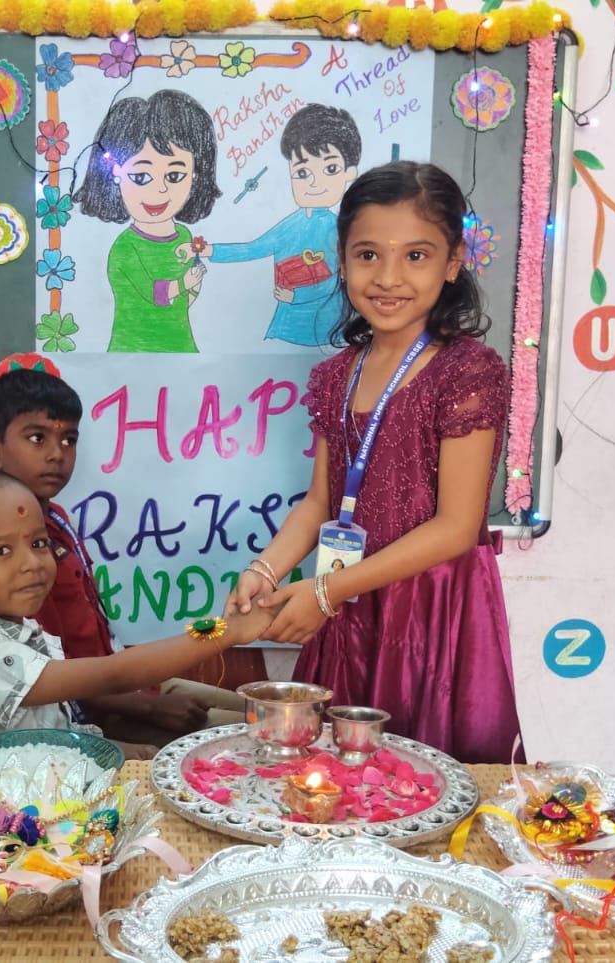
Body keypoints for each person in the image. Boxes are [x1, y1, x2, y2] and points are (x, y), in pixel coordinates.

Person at [227, 161, 525, 764]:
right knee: (338, 775)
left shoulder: (468, 370)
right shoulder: (335, 375)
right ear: (341, 260)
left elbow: (457, 527)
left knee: (426, 775)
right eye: (368, 255)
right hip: (349, 605)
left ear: (453, 262)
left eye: (416, 256)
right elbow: (320, 503)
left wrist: (325, 591)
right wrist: (266, 568)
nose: (388, 278)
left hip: (434, 612)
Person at [0, 354, 249, 747]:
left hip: (119, 686)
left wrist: (146, 694)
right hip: (84, 712)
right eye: (37, 438)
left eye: (68, 440)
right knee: (248, 737)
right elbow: (48, 674)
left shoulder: (54, 518)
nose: (57, 454)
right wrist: (150, 707)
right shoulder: (7, 542)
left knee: (257, 711)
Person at [0, 469, 280, 760]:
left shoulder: (13, 628)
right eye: (0, 551)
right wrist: (225, 631)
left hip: (58, 773)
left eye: (39, 543)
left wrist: (121, 750)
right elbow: (115, 674)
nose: (32, 563)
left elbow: (53, 730)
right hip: (23, 815)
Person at [187, 104, 361, 347]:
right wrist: (209, 250)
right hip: (286, 326)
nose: (314, 183)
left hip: (325, 329)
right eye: (302, 173)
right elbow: (254, 248)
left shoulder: (338, 229)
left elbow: (336, 280)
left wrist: (296, 296)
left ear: (349, 172)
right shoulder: (291, 225)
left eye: (330, 169)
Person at [74, 89, 222, 353]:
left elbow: (183, 301)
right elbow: (154, 293)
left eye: (174, 176)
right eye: (141, 177)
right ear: (116, 173)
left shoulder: (184, 237)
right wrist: (185, 284)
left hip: (181, 347)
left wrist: (194, 282)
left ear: (195, 175)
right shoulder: (125, 247)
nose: (160, 190)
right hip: (132, 350)